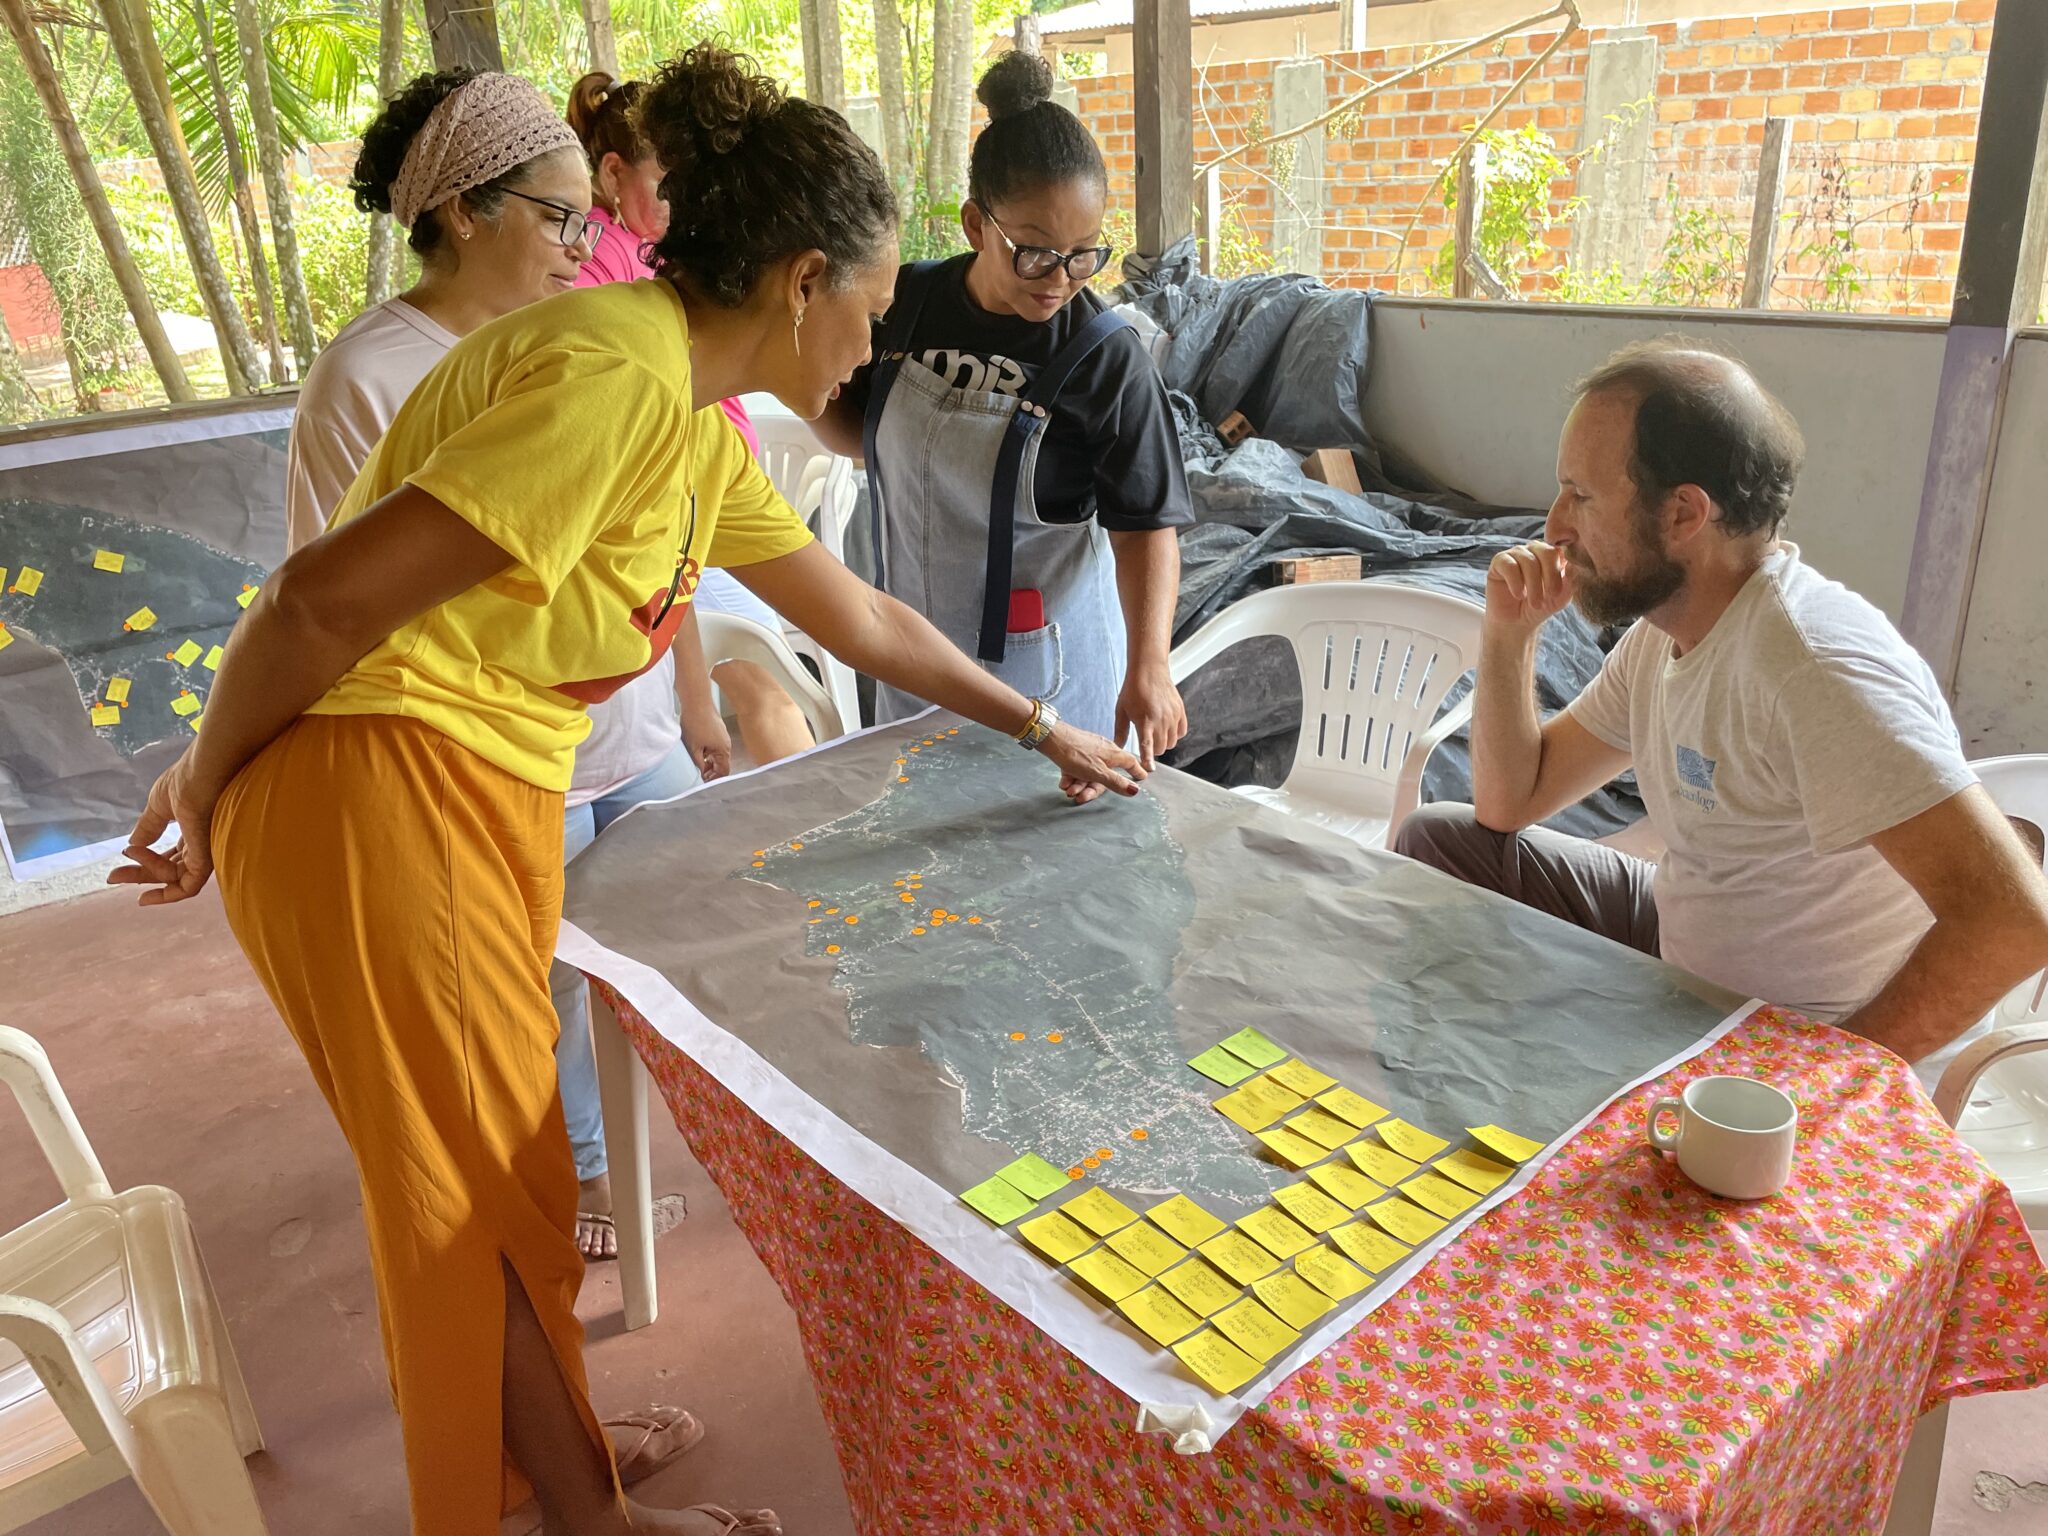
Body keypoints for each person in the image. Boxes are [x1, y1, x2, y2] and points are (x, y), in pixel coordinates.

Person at [112, 45, 1143, 1536]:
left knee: (508, 1190)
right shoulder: (609, 377)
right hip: (379, 798)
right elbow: (314, 607)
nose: (870, 349)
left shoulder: (677, 408)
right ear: (804, 281)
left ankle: (562, 1483)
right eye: (866, 310)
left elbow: (863, 619)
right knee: (464, 1209)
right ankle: (568, 1519)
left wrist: (1041, 731)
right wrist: (206, 780)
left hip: (461, 797)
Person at [284, 69, 724, 1269]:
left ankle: (662, 1159)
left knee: (713, 924)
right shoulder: (367, 379)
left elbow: (670, 530)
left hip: (627, 733)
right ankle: (579, 1184)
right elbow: (327, 606)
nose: (583, 246)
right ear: (467, 213)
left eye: (594, 221)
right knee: (534, 1005)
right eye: (560, 216)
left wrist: (691, 698)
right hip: (488, 760)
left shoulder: (586, 342)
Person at [1393, 340, 2048, 1089]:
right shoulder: (1661, 639)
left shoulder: (1813, 668)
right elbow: (1510, 802)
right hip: (1693, 940)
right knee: (1441, 840)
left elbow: (2013, 922)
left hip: (1797, 1026)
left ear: (1682, 515)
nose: (1554, 527)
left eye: (1581, 495)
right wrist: (1509, 634)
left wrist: (1823, 1084)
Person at [814, 50, 1190, 764]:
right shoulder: (908, 306)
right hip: (913, 654)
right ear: (975, 225)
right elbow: (858, 437)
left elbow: (1145, 527)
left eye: (1085, 255)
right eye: (1036, 252)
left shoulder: (1105, 357)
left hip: (1051, 672)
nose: (1061, 280)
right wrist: (797, 382)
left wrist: (1151, 666)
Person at [567, 70, 814, 776]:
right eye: (664, 183)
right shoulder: (599, 275)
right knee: (767, 682)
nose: (676, 205)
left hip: (710, 496)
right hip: (683, 508)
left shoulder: (658, 258)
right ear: (614, 173)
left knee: (770, 679)